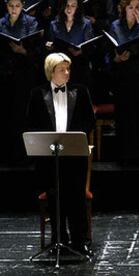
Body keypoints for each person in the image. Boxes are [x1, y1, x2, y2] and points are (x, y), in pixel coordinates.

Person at [25, 52, 95, 256]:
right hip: (49, 158)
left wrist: (73, 137)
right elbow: (31, 123)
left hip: (74, 157)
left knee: (76, 199)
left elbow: (89, 120)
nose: (66, 73)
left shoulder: (80, 91)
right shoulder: (37, 94)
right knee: (55, 199)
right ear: (51, 72)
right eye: (62, 69)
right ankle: (58, 240)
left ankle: (79, 241)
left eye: (68, 69)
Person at [107, 0, 139, 164]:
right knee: (123, 114)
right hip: (122, 76)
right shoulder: (115, 25)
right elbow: (108, 51)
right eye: (130, 7)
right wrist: (116, 58)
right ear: (123, 8)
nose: (134, 11)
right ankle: (123, 154)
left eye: (137, 7)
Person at [0, 0, 43, 164]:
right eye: (11, 5)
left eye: (17, 6)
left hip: (24, 74)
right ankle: (5, 154)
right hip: (4, 74)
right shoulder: (1, 23)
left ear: (22, 6)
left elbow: (38, 50)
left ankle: (23, 155)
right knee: (5, 113)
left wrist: (23, 51)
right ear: (6, 5)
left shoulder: (31, 23)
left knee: (22, 113)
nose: (14, 9)